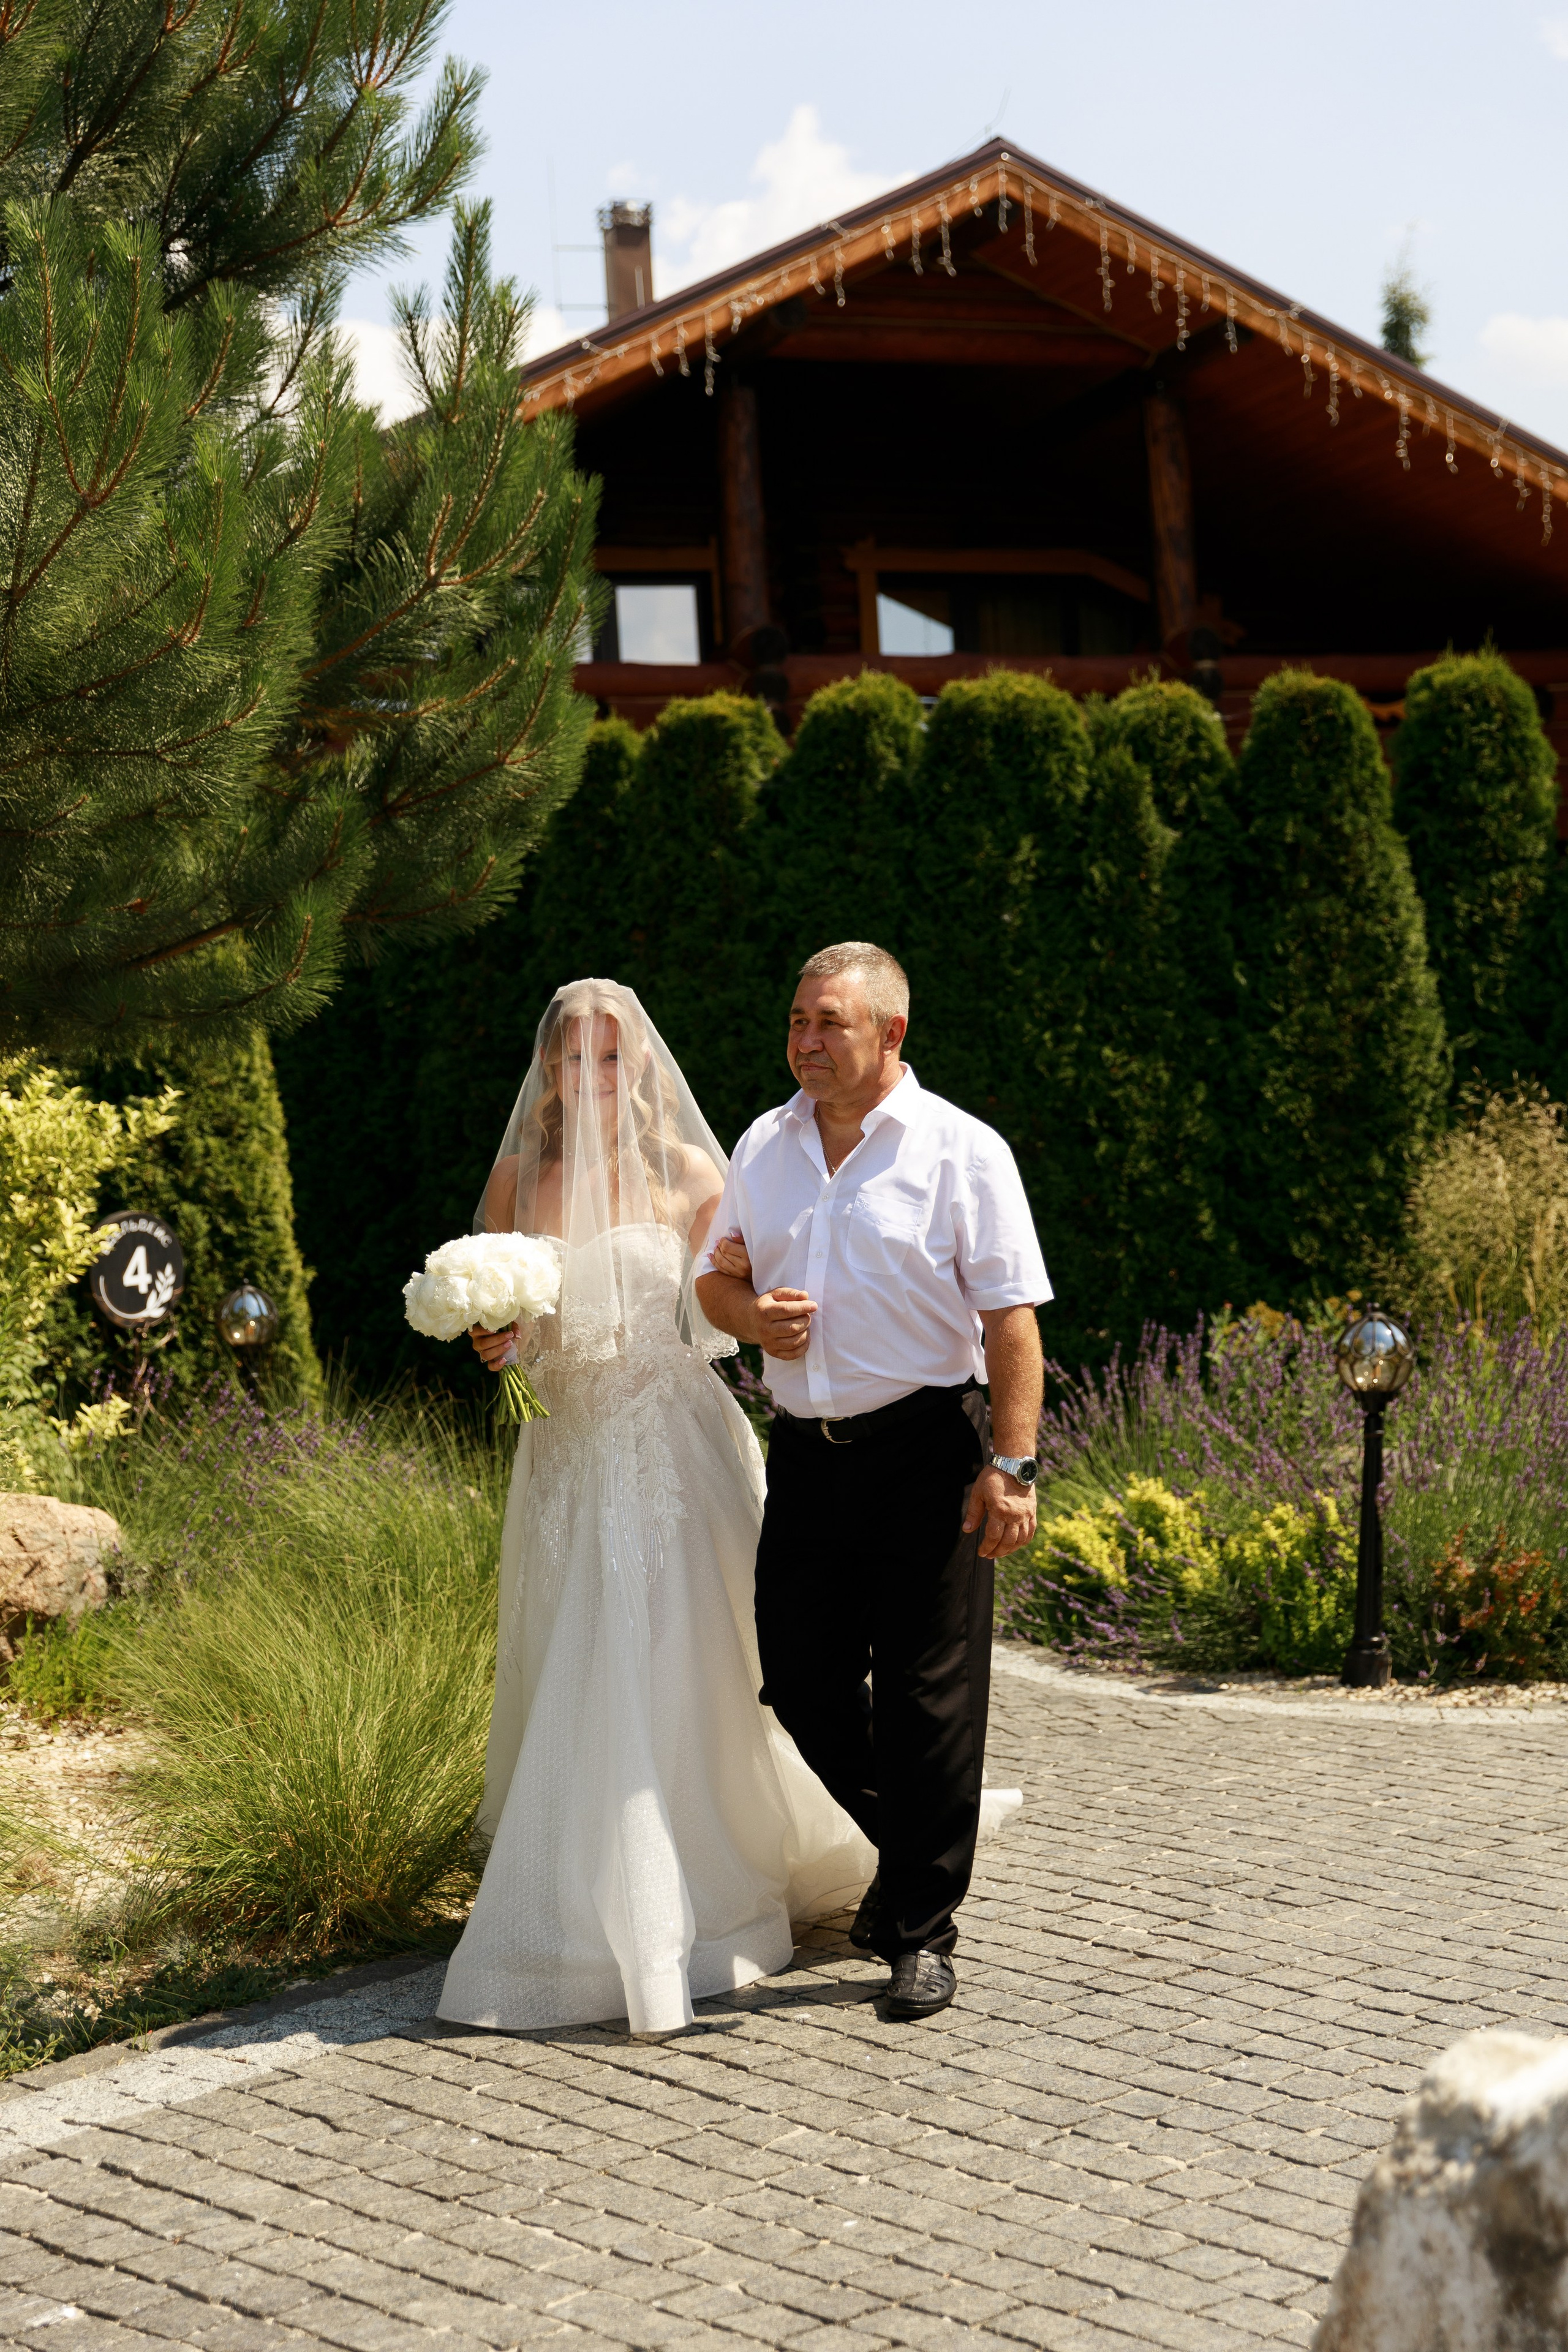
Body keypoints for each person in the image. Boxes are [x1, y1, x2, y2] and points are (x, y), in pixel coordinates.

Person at [437, 979, 874, 2040]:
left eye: (609, 1059)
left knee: (684, 1665)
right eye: (570, 1060)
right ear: (547, 1071)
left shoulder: (689, 1172)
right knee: (579, 1663)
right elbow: (517, 1331)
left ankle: (703, 1893)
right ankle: (586, 1904)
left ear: (639, 1070)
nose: (589, 1078)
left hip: (674, 1452)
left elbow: (721, 1314)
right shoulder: (514, 1181)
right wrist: (498, 1340)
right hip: (567, 1458)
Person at [695, 941, 1049, 2022]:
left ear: (891, 1033)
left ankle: (922, 1931)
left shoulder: (962, 1152)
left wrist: (1013, 1467)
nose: (805, 1041)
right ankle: (911, 1859)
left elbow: (1010, 1323)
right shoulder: (765, 1142)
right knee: (798, 1677)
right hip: (806, 1455)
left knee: (924, 1700)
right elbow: (717, 1276)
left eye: (828, 1024)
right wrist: (750, 1319)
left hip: (924, 1457)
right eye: (797, 1021)